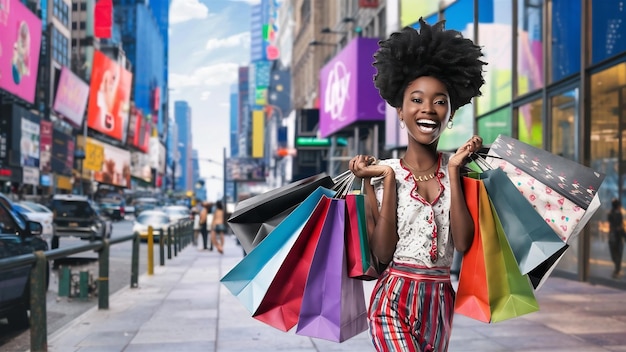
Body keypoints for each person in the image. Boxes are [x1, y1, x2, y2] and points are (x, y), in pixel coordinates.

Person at [348, 18, 486, 351]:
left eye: (440, 101)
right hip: (392, 300)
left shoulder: (461, 170)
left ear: (450, 113)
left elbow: (464, 244)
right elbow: (381, 253)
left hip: (440, 302)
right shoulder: (381, 173)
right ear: (400, 110)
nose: (428, 109)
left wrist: (454, 170)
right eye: (417, 99)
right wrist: (387, 180)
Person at [608, 198, 624, 278]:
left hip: (613, 237)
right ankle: (617, 271)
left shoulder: (611, 214)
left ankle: (616, 271)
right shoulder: (616, 214)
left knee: (615, 254)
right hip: (616, 237)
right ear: (617, 206)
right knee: (617, 255)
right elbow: (619, 226)